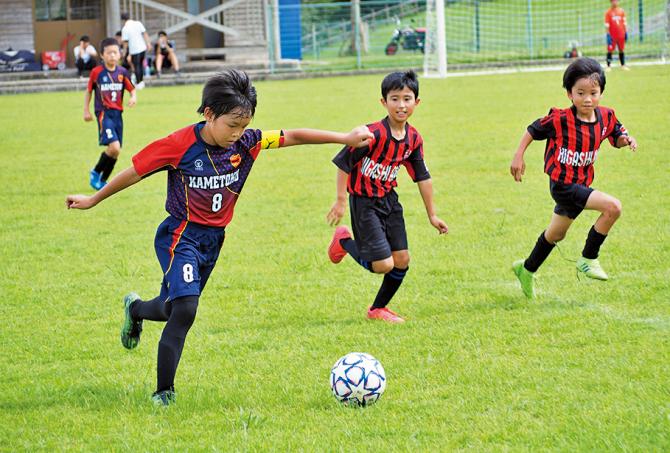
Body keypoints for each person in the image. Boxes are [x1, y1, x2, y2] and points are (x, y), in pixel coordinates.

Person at [65, 69, 373, 406]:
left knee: (171, 309)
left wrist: (344, 137)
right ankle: (163, 393)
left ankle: (136, 309)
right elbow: (134, 172)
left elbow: (293, 135)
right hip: (179, 235)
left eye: (243, 126)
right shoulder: (178, 145)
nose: (237, 134)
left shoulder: (248, 142)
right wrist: (93, 199)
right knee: (186, 309)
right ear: (209, 114)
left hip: (213, 241)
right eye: (231, 125)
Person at [326, 70, 448, 324]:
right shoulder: (371, 135)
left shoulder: (413, 139)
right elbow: (343, 164)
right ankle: (344, 242)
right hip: (364, 202)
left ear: (416, 102)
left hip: (390, 202)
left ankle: (377, 309)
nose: (401, 105)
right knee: (383, 264)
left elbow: (422, 177)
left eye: (407, 98)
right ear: (384, 102)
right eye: (394, 98)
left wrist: (433, 215)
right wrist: (339, 201)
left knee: (402, 260)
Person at [509, 57, 637, 298]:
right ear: (569, 94)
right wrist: (518, 156)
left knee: (556, 234)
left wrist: (626, 140)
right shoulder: (560, 119)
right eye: (580, 93)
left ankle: (526, 269)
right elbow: (532, 130)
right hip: (563, 184)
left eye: (593, 92)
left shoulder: (607, 117)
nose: (587, 99)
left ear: (601, 92)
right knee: (613, 207)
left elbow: (617, 136)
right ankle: (589, 258)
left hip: (581, 183)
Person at [84, 37, 136, 190]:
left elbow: (132, 89)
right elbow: (88, 91)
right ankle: (95, 172)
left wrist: (133, 97)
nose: (112, 55)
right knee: (114, 147)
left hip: (117, 115)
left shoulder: (122, 72)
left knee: (116, 151)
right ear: (102, 55)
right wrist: (86, 110)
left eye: (115, 52)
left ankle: (102, 181)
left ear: (119, 54)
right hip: (104, 114)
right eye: (109, 53)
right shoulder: (97, 72)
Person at [121, 12, 151, 89]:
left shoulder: (125, 28)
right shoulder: (138, 23)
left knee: (137, 65)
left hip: (134, 49)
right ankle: (141, 81)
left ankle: (139, 82)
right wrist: (148, 44)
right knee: (140, 65)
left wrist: (124, 53)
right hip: (142, 47)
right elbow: (145, 34)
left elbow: (125, 43)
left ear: (123, 20)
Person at [605, 0, 629, 71]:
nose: (615, 2)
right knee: (610, 50)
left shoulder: (621, 11)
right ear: (611, 2)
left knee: (621, 49)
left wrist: (626, 32)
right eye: (613, 1)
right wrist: (608, 35)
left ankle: (623, 65)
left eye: (616, 1)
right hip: (612, 35)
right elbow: (607, 25)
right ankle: (608, 66)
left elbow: (624, 23)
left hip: (621, 34)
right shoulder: (608, 12)